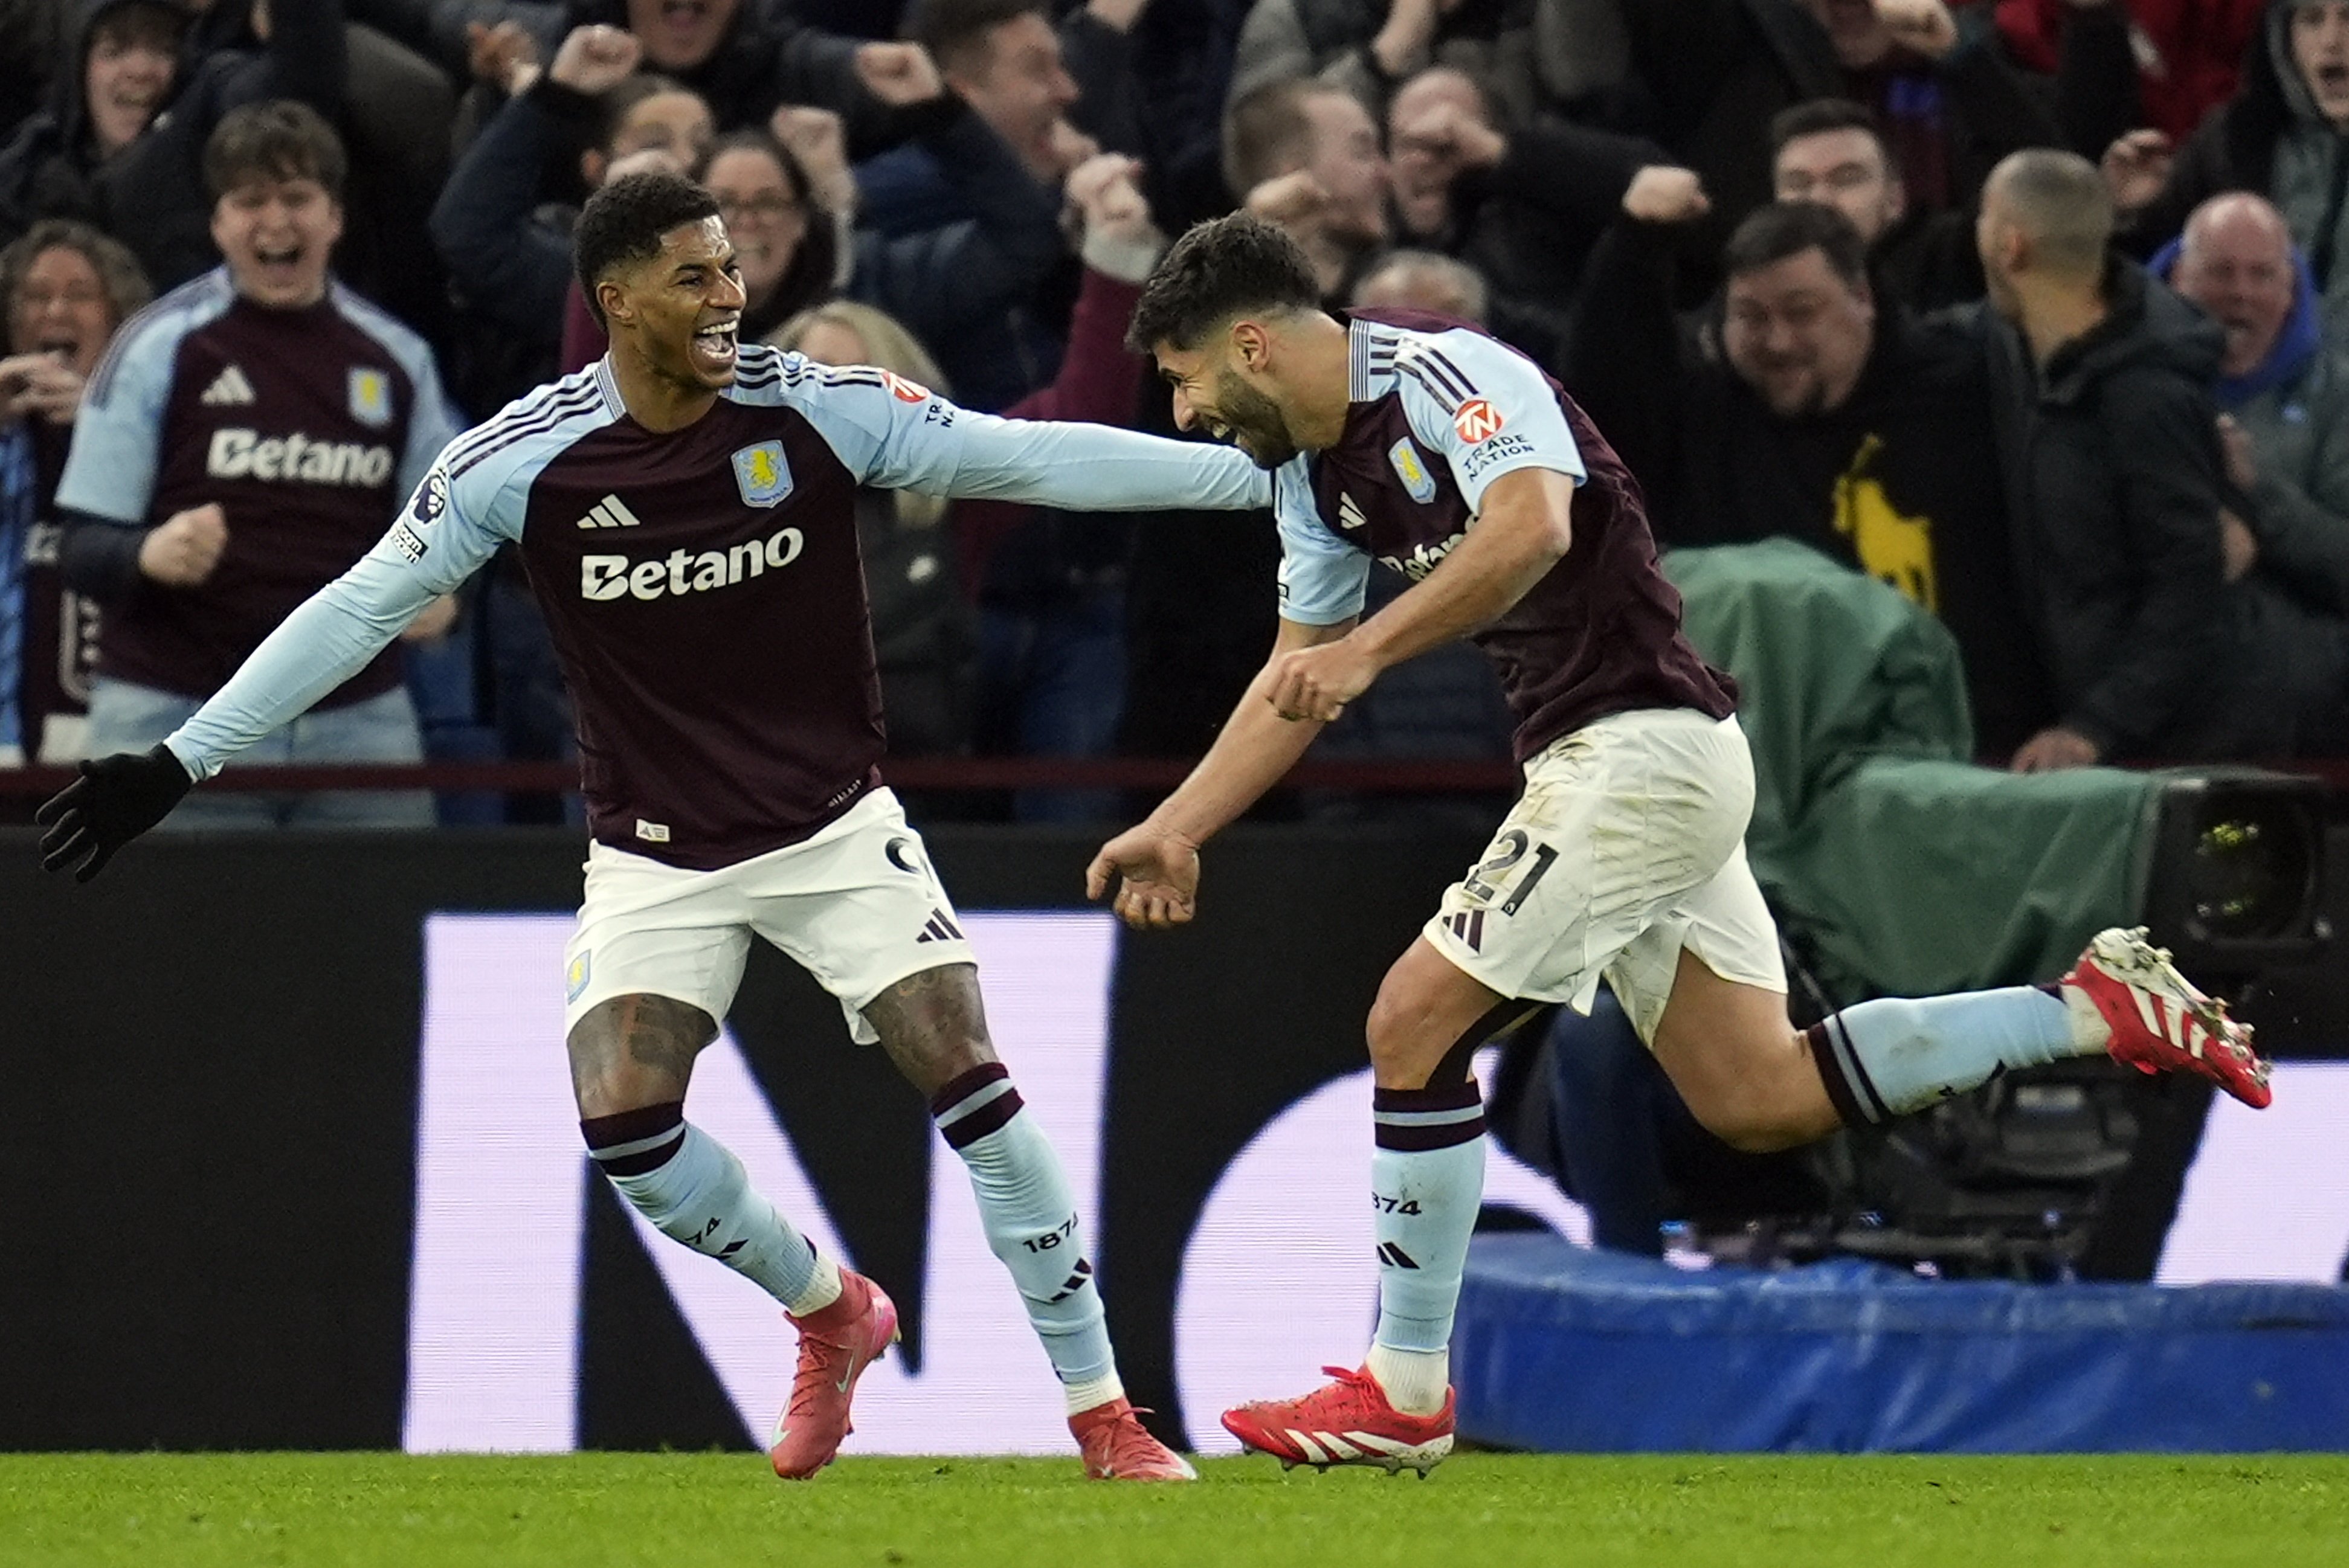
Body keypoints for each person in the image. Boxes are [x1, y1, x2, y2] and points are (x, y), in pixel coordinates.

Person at [37, 170, 1273, 1481]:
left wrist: (1262, 485)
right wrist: (179, 760)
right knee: (626, 1124)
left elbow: (1029, 456)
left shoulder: (814, 408)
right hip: (656, 852)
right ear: (615, 298)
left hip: (834, 826)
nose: (730, 293)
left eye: (732, 267)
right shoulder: (520, 460)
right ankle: (831, 1311)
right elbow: (355, 608)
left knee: (967, 1073)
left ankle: (1105, 1415)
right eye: (696, 275)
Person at [1085, 212, 2272, 1474]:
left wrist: (1370, 648)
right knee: (1760, 1092)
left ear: (1253, 345)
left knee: (1410, 1021)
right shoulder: (1313, 478)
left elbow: (1534, 524)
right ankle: (2090, 1007)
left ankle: (1405, 1386)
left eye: (1185, 376)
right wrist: (1179, 824)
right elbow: (1291, 676)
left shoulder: (1450, 374)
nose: (1185, 410)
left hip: (1639, 752)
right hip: (1629, 761)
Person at [54, 101, 460, 828]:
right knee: (162, 942)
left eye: (297, 197)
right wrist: (147, 551)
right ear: (218, 224)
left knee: (378, 940)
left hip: (357, 722)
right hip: (175, 715)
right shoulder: (157, 346)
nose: (276, 221)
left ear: (334, 216)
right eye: (250, 201)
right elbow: (80, 544)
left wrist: (445, 586)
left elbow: (456, 522)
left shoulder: (398, 359)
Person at [1565, 197, 2046, 756]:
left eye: (1801, 312)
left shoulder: (1968, 393)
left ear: (1861, 298)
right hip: (1775, 762)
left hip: (1964, 748)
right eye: (1751, 316)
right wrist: (1632, 244)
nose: (1778, 341)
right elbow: (1598, 418)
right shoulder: (1705, 419)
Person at [1971, 148, 2287, 768]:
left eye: (1981, 217)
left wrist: (2095, 727)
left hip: (2186, 739)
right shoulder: (2013, 345)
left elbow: (2190, 589)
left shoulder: (2148, 396)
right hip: (2100, 724)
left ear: (2012, 247)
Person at [2163, 190, 2349, 753]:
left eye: (2263, 275)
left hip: (2296, 685)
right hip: (2144, 657)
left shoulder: (2339, 395)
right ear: (2177, 278)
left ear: (2290, 290)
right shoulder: (2123, 378)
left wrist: (2258, 496)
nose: (2240, 293)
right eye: (2220, 273)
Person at [0, 218, 149, 770]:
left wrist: (98, 419)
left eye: (79, 295)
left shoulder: (153, 432)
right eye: (35, 297)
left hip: (110, 741)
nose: (54, 313)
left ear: (117, 319)